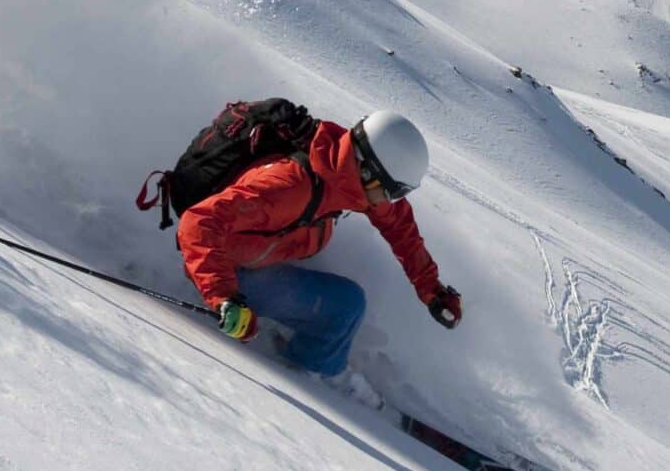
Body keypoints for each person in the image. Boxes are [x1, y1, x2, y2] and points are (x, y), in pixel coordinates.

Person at [176, 110, 463, 378]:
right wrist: (225, 297)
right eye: (391, 192)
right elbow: (198, 222)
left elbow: (399, 225)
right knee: (346, 307)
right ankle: (311, 377)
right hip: (220, 273)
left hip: (250, 265)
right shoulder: (290, 187)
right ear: (368, 173)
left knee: (345, 304)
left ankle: (306, 359)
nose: (390, 202)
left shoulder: (347, 176)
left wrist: (432, 289)